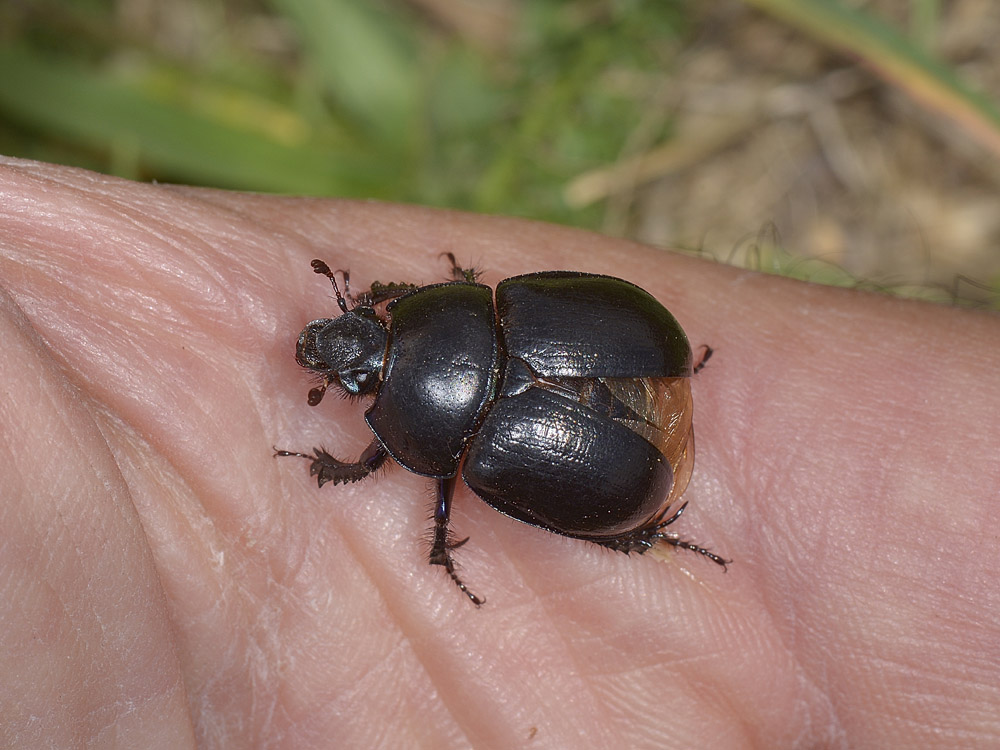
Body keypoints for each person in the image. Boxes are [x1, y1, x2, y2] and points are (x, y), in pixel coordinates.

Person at [1, 156, 997, 749]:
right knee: (517, 478)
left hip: (617, 401)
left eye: (361, 367)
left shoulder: (440, 420)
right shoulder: (468, 322)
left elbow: (386, 460)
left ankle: (651, 540)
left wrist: (339, 461)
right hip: (627, 381)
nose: (350, 362)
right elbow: (422, 381)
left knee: (480, 488)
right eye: (359, 373)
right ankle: (649, 538)